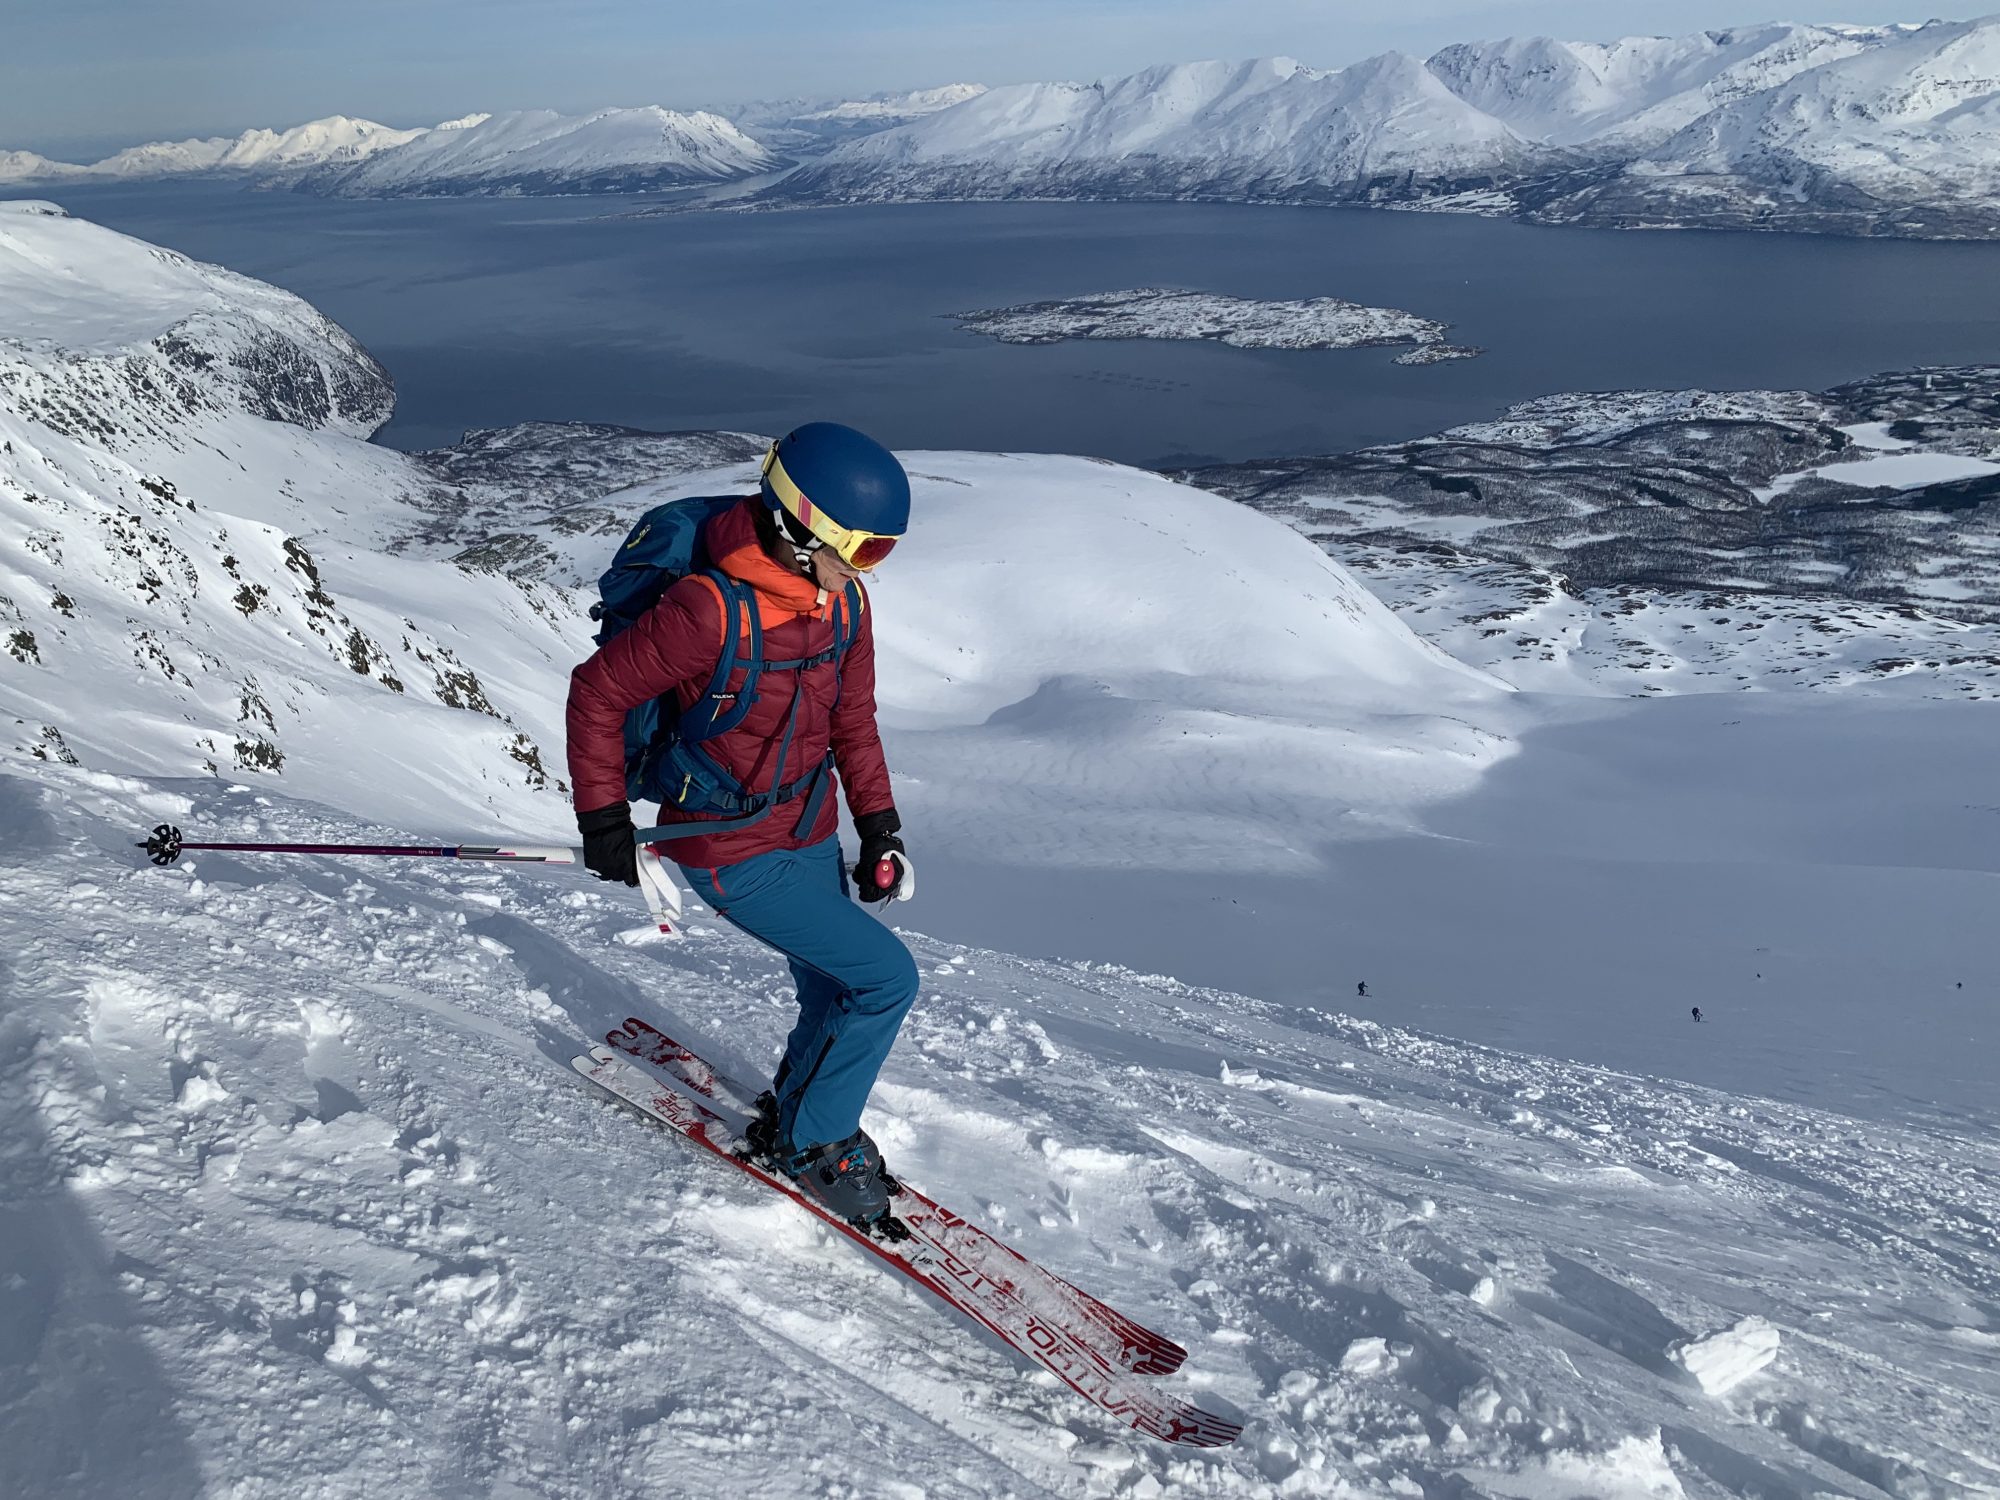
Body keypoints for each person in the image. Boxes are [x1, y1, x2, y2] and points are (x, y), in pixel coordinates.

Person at [566, 422, 919, 1236]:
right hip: (727, 845)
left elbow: (852, 722)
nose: (867, 572)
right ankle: (814, 1140)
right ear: (802, 526)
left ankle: (798, 1110)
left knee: (836, 982)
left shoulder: (843, 606)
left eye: (880, 555)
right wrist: (603, 814)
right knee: (886, 981)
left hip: (809, 828)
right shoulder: (705, 610)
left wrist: (879, 826)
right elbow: (598, 693)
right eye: (863, 551)